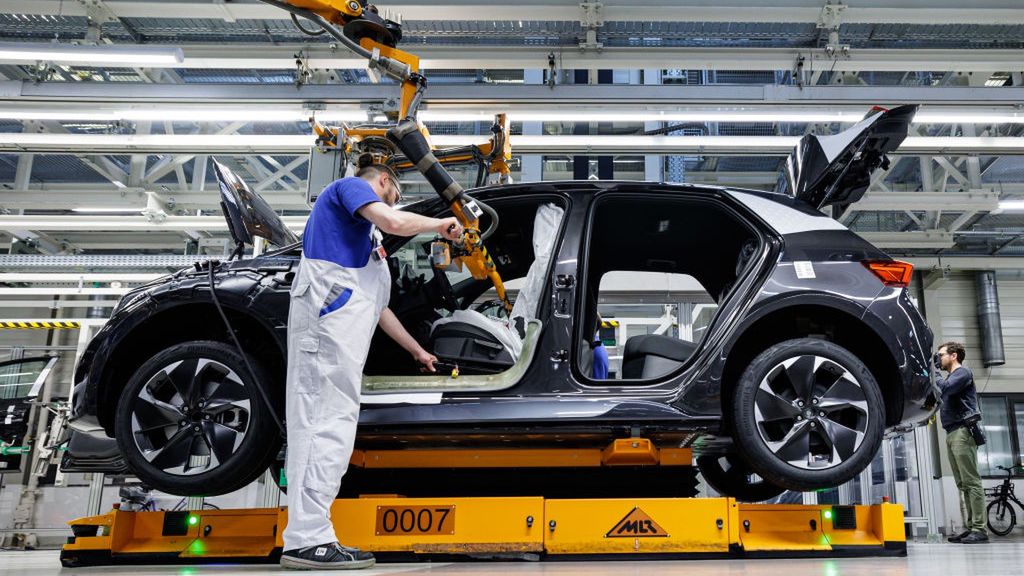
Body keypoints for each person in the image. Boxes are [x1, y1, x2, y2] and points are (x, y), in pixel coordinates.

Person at [280, 163, 463, 569]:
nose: (393, 202)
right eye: (395, 193)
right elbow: (395, 221)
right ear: (383, 180)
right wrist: (439, 225)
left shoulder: (368, 238)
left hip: (341, 341)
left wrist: (417, 351)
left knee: (335, 427)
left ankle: (314, 535)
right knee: (319, 424)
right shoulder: (348, 188)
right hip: (325, 329)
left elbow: (380, 309)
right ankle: (305, 539)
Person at [937, 341, 988, 545]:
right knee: (962, 483)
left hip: (962, 431)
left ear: (954, 355)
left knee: (971, 481)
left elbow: (945, 388)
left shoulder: (962, 373)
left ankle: (979, 529)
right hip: (952, 432)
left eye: (941, 355)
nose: (939, 359)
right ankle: (971, 527)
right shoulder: (951, 377)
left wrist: (933, 372)